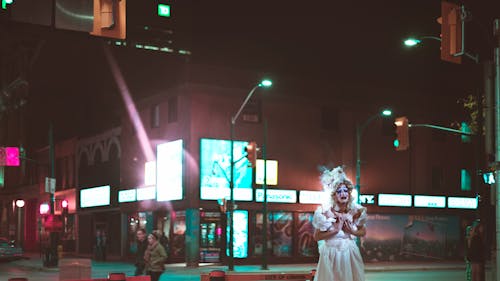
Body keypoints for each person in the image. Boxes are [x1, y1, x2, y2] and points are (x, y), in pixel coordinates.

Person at [312, 166, 367, 281]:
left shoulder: (356, 211)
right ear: (334, 195)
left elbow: (363, 231)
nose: (343, 193)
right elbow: (317, 236)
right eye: (339, 191)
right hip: (331, 253)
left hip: (349, 253)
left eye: (345, 190)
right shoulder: (325, 212)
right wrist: (335, 231)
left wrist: (352, 231)